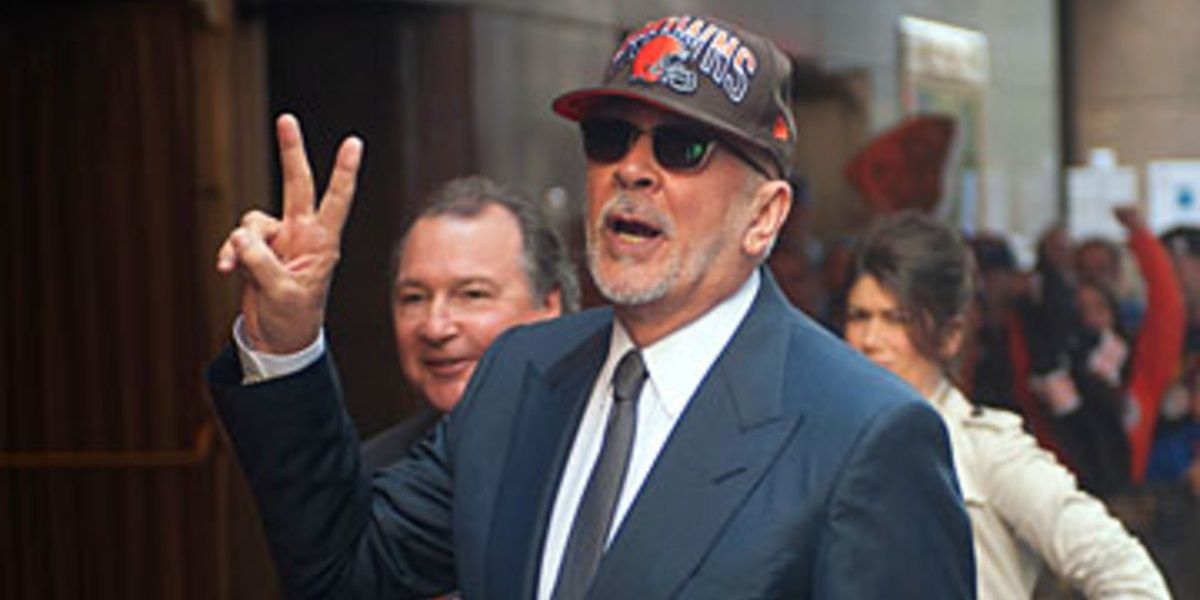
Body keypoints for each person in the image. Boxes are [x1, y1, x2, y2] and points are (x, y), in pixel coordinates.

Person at [208, 14, 973, 598]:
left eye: (682, 148)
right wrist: (285, 343)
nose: (632, 170)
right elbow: (349, 569)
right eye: (610, 137)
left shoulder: (865, 435)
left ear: (764, 216)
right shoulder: (520, 374)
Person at [843, 210, 1170, 599]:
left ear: (951, 335)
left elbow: (1126, 574)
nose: (871, 340)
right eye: (859, 316)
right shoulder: (828, 442)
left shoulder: (989, 451)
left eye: (897, 319)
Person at [361, 175, 580, 473]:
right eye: (414, 298)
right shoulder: (374, 471)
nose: (435, 328)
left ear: (549, 305)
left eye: (472, 295)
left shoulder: (598, 450)